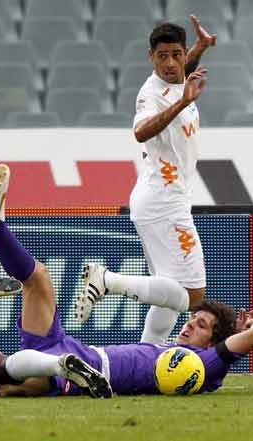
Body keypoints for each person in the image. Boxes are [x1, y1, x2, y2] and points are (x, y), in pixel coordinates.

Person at [0, 163, 253, 396]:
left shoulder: (202, 364)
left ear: (213, 343)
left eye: (201, 325)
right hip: (68, 347)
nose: (189, 325)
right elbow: (173, 301)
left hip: (85, 371)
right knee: (38, 278)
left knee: (16, 381)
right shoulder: (165, 349)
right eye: (193, 320)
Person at [76, 18, 217, 344]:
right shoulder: (150, 94)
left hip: (161, 199)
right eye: (162, 56)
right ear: (150, 57)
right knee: (192, 295)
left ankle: (147, 356)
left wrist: (201, 47)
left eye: (176, 54)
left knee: (168, 294)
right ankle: (107, 280)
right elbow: (140, 132)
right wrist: (184, 102)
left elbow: (181, 72)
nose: (170, 63)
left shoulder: (180, 77)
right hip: (163, 202)